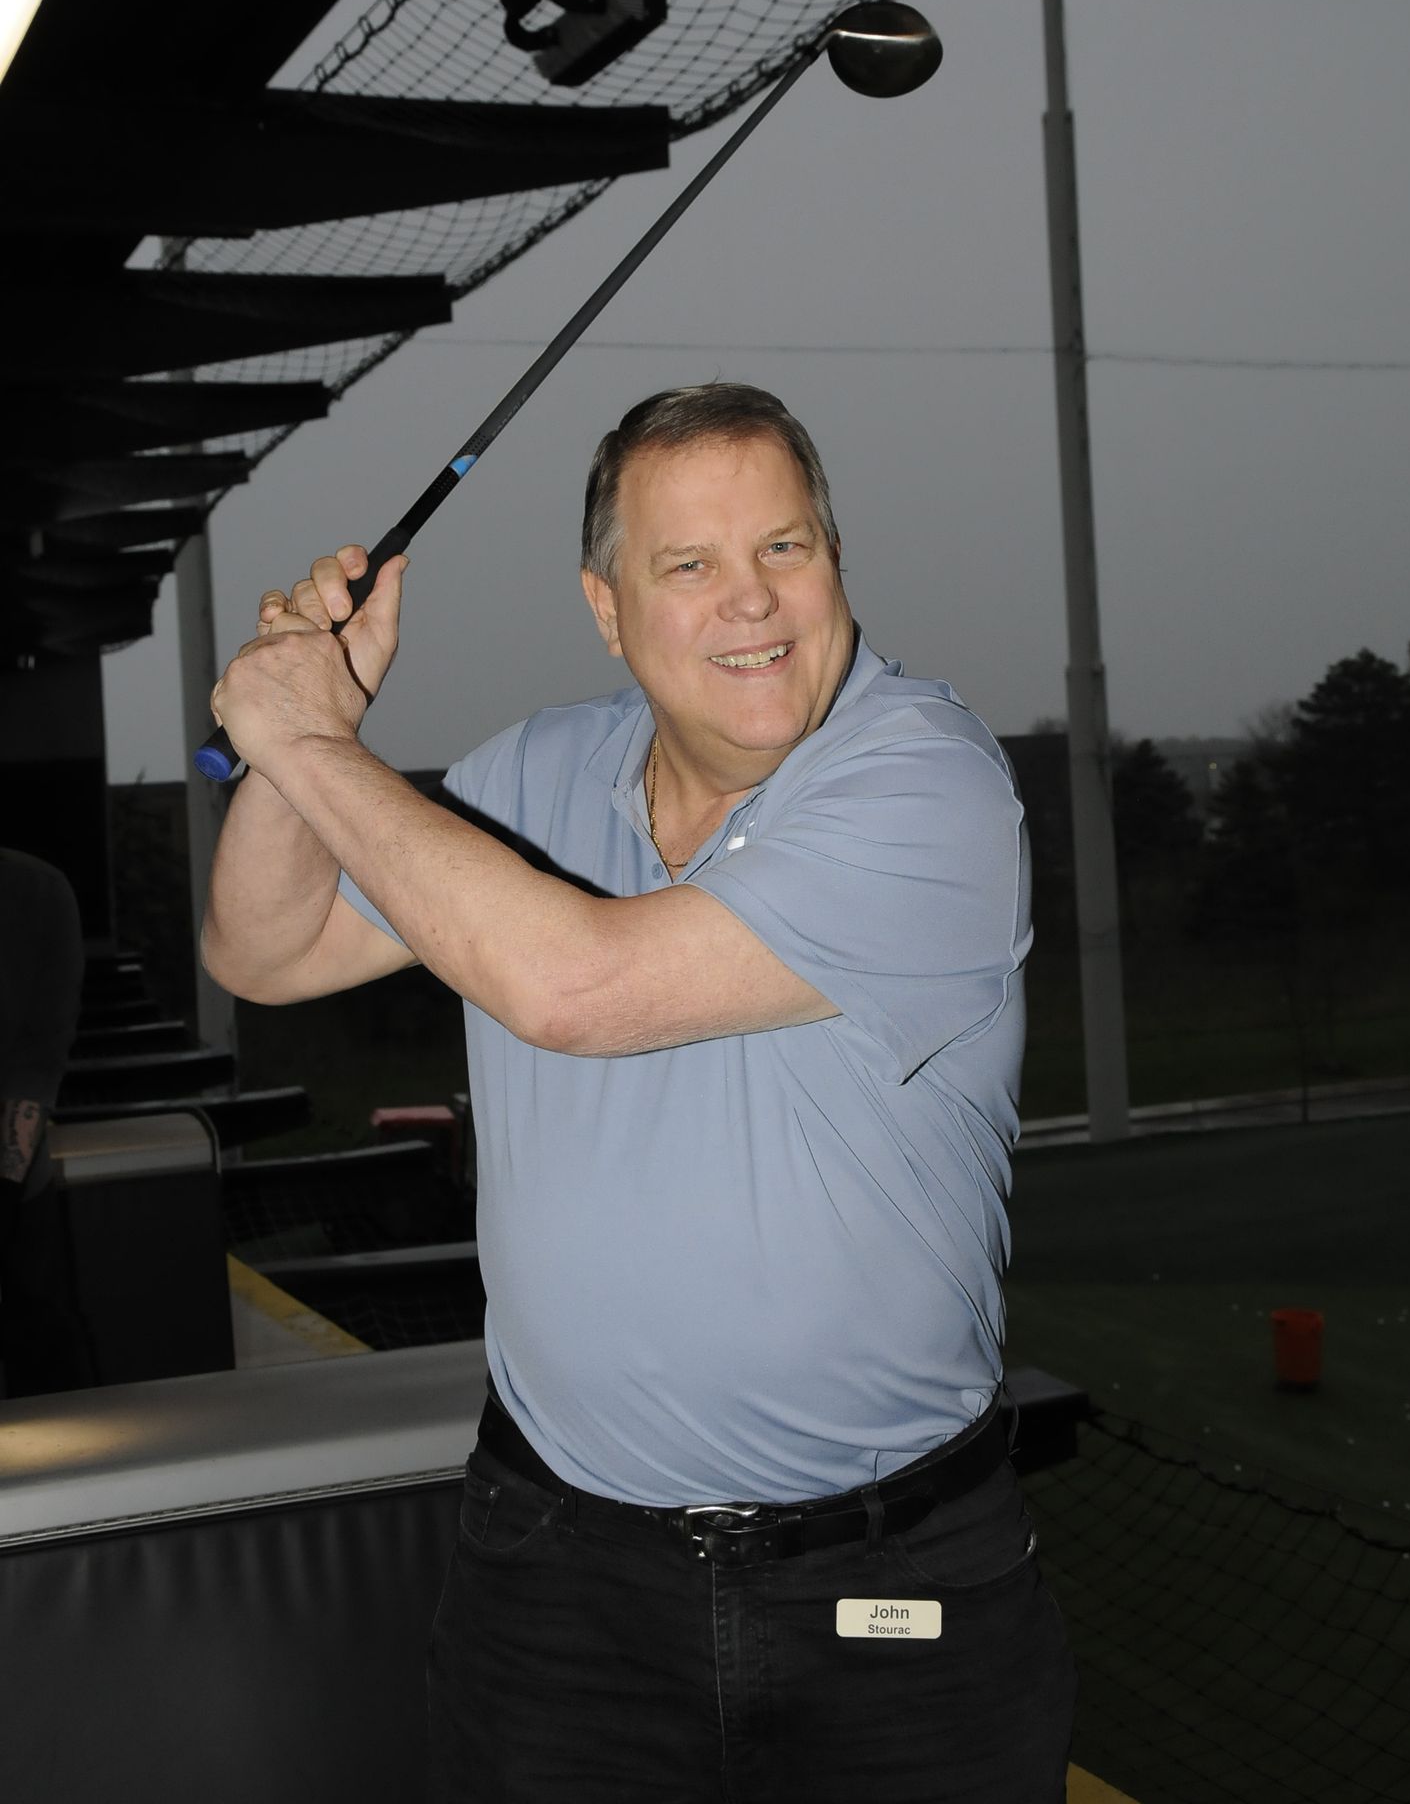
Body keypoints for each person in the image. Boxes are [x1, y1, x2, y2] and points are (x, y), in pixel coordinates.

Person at [203, 383, 1074, 1802]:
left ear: (834, 558)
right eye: (689, 565)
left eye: (784, 548)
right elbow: (264, 947)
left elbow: (577, 990)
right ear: (607, 609)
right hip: (558, 1581)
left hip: (886, 1586)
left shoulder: (926, 785)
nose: (754, 603)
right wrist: (310, 731)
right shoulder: (526, 776)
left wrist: (305, 744)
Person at [0, 846, 94, 1397]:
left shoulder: (35, 892)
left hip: (17, 1203)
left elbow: (37, 1059)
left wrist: (5, 1191)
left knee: (49, 1370)